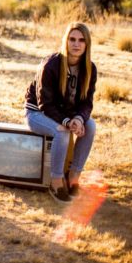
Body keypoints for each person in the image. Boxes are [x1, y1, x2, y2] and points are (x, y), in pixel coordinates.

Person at [25, 22, 97, 203]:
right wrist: (67, 121)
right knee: (61, 131)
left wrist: (79, 119)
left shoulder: (90, 68)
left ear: (87, 44)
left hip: (68, 114)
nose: (76, 44)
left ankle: (73, 176)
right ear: (66, 41)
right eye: (72, 39)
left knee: (91, 126)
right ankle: (56, 181)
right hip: (37, 114)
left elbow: (87, 102)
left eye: (81, 40)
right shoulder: (51, 65)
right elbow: (44, 104)